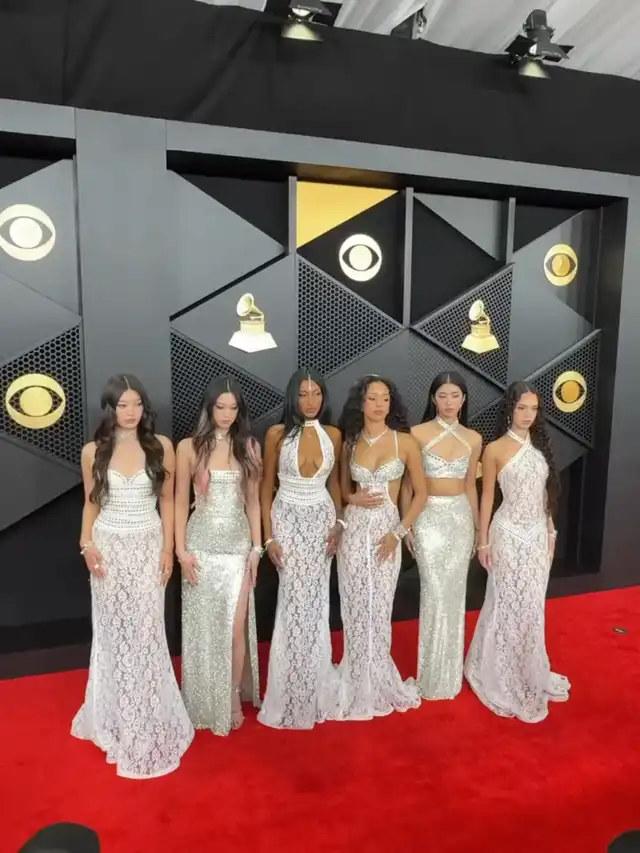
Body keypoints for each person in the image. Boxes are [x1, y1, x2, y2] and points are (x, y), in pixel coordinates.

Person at [72, 375, 193, 778]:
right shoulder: (93, 451)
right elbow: (91, 503)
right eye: (123, 405)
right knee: (113, 632)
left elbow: (169, 501)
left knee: (145, 631)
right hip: (108, 549)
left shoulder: (161, 446)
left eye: (137, 404)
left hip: (147, 546)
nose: (131, 412)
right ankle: (116, 714)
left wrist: (167, 551)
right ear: (110, 409)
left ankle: (147, 713)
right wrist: (86, 544)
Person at [464, 380, 570, 723]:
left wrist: (551, 529)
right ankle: (498, 670)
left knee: (532, 604)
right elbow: (487, 498)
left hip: (538, 535)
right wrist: (483, 541)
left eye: (533, 409)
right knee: (505, 601)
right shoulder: (494, 449)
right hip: (507, 533)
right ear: (509, 409)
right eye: (521, 407)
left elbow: (545, 494)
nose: (527, 415)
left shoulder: (540, 447)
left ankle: (527, 666)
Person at [331, 375, 426, 720]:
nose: (379, 405)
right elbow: (341, 490)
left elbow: (421, 494)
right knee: (355, 604)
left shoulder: (405, 442)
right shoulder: (350, 443)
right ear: (362, 402)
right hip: (354, 532)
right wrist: (352, 497)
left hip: (387, 532)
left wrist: (397, 533)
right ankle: (356, 675)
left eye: (385, 399)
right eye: (372, 398)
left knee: (380, 607)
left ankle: (378, 676)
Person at [175, 377, 262, 735]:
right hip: (200, 545)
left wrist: (257, 548)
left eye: (233, 408)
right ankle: (201, 698)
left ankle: (231, 696)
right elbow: (179, 500)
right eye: (220, 407)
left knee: (235, 627)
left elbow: (253, 502)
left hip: (237, 547)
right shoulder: (189, 447)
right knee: (203, 626)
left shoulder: (249, 446)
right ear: (209, 408)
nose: (227, 414)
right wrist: (181, 551)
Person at [258, 369, 343, 730]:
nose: (311, 401)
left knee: (317, 602)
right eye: (304, 394)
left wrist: (339, 524)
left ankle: (315, 682)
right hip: (287, 522)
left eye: (317, 394)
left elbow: (335, 485)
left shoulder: (333, 435)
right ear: (293, 396)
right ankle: (289, 687)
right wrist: (269, 538)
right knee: (293, 600)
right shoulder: (276, 435)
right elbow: (265, 487)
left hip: (322, 522)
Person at [402, 371, 481, 700]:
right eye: (443, 395)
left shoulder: (474, 439)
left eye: (455, 395)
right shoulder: (417, 434)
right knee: (433, 593)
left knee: (455, 595)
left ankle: (449, 675)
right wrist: (406, 525)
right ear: (433, 398)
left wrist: (477, 528)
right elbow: (407, 486)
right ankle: (430, 675)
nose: (449, 402)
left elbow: (470, 486)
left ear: (464, 400)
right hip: (427, 519)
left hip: (460, 519)